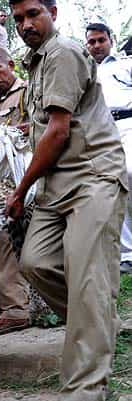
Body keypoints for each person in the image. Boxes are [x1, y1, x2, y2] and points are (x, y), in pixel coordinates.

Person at [6, 1, 128, 401]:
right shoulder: (35, 63)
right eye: (18, 17)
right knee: (36, 262)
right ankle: (97, 324)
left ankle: (86, 389)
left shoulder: (63, 53)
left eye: (32, 14)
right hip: (57, 184)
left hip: (93, 176)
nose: (25, 24)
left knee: (89, 281)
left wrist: (20, 190)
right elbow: (44, 126)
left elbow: (58, 133)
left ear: (52, 13)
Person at [0, 47, 31, 337]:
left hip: (30, 179)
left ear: (11, 65)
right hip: (4, 183)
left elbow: (41, 126)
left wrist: (12, 133)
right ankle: (14, 309)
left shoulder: (26, 93)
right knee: (4, 238)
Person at [86, 22, 132, 274]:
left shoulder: (126, 63)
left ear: (110, 40)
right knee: (114, 185)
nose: (96, 46)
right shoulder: (85, 70)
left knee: (130, 173)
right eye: (91, 42)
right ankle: (127, 253)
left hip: (129, 123)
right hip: (102, 132)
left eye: (100, 40)